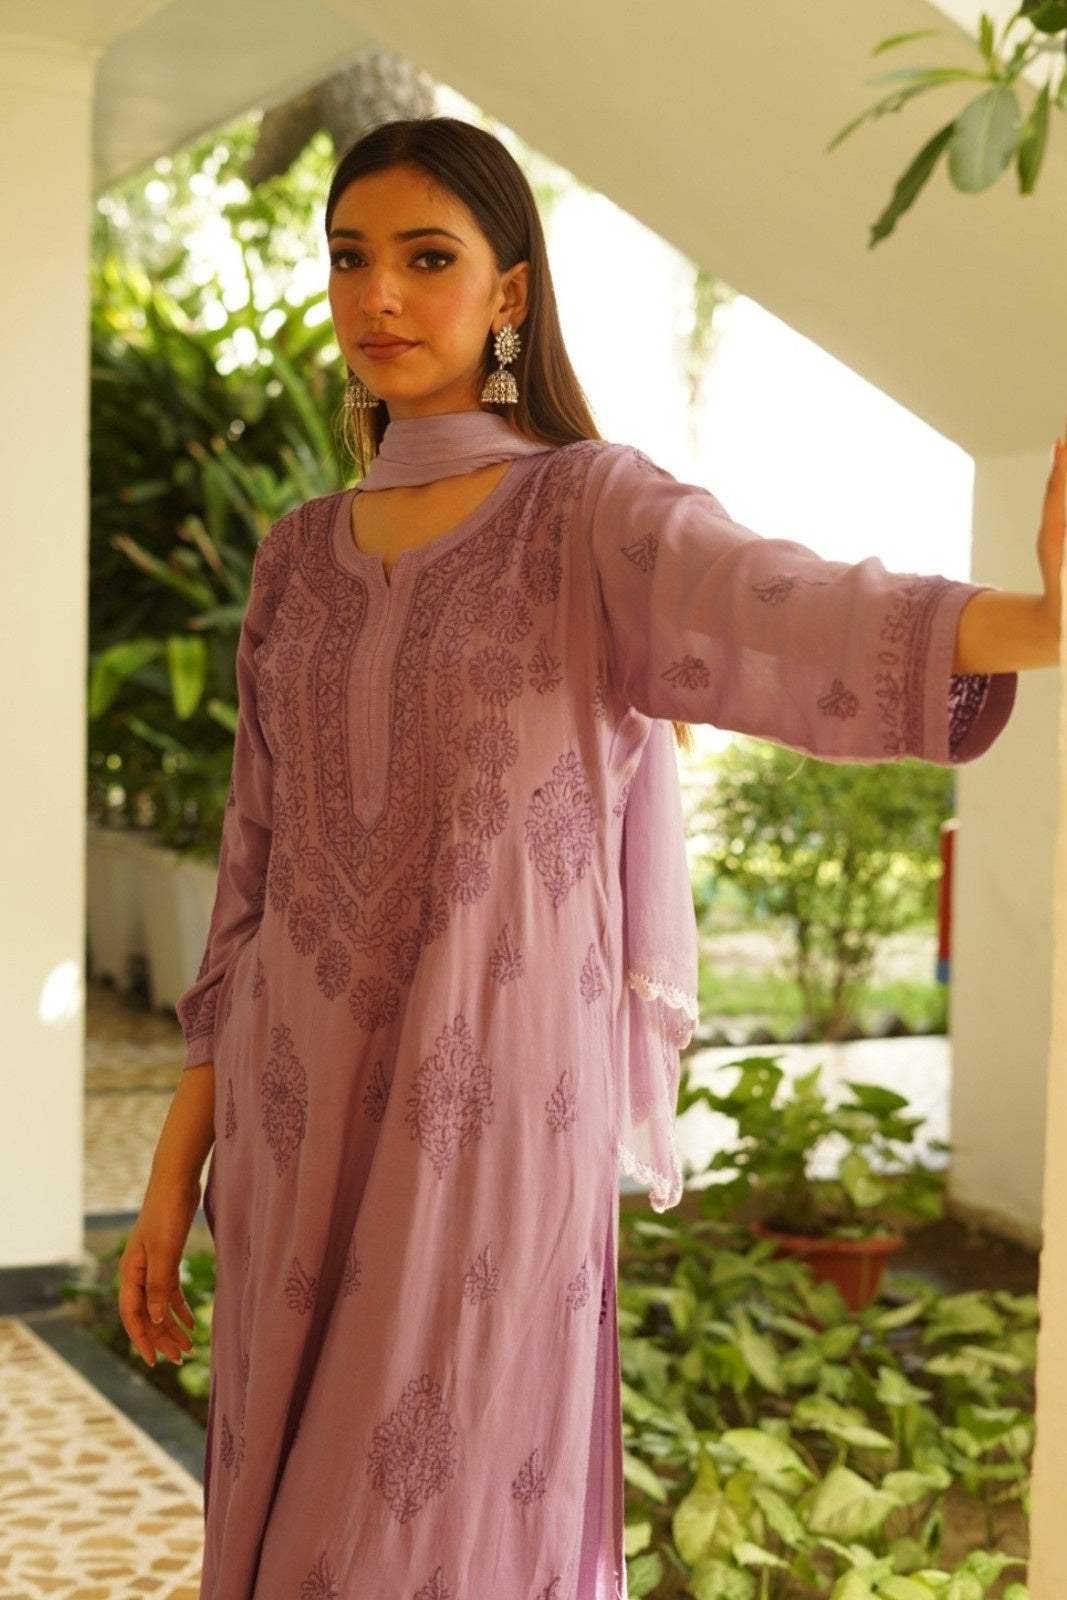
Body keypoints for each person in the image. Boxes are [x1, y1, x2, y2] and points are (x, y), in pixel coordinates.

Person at [117, 114, 1062, 1600]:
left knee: (413, 1537)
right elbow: (252, 875)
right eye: (351, 258)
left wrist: (1032, 624)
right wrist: (176, 1177)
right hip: (294, 1127)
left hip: (485, 1127)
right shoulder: (294, 556)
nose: (380, 295)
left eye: (428, 259)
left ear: (508, 295)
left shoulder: (586, 514)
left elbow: (779, 607)